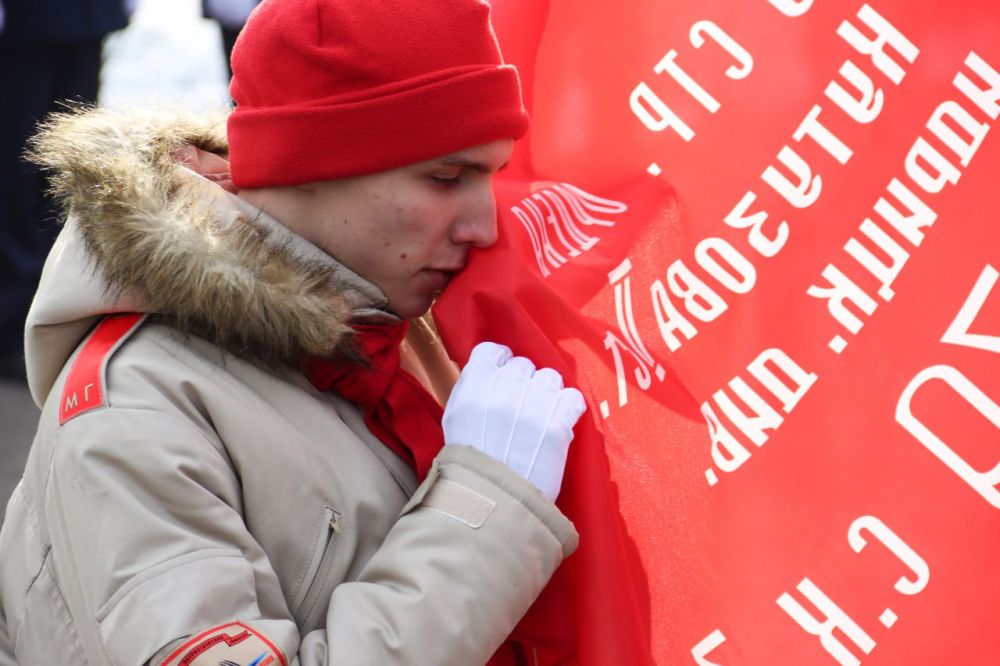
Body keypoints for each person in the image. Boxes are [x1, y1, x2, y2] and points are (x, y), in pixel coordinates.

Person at [0, 0, 587, 664]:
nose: (483, 227)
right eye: (447, 177)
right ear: (310, 165)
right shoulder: (137, 415)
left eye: (493, 175)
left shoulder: (391, 309)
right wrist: (485, 515)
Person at [0, 0, 129, 379]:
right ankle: (13, 317)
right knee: (17, 163)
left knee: (70, 161)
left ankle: (56, 301)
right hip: (22, 23)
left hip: (84, 15)